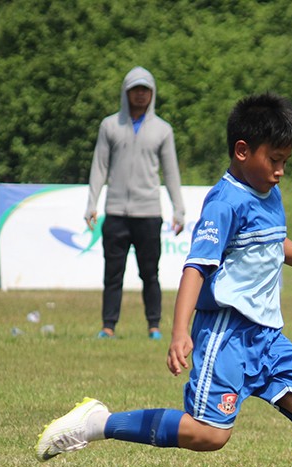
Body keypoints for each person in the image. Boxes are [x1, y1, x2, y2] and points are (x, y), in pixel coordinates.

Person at [38, 93, 292, 467]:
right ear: (241, 150)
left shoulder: (269, 194)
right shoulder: (223, 202)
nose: (280, 171)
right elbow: (195, 267)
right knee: (210, 435)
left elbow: (275, 243)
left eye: (286, 161)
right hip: (227, 333)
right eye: (274, 159)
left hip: (266, 337)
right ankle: (99, 422)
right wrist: (179, 332)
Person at [85, 67, 187, 340]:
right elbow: (99, 166)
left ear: (152, 93)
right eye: (135, 90)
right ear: (126, 93)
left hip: (149, 212)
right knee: (113, 273)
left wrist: (179, 209)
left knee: (150, 274)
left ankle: (154, 326)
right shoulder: (109, 125)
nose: (140, 95)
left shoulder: (163, 129)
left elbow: (171, 172)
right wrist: (91, 203)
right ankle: (108, 326)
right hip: (116, 211)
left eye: (145, 90)